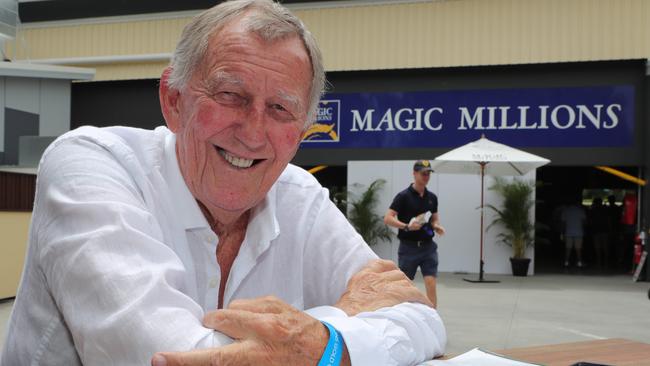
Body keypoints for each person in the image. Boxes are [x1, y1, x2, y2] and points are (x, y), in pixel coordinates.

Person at [0, 1, 446, 365]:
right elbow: (165, 356)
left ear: (302, 132)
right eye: (230, 95)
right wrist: (338, 338)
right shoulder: (91, 164)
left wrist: (324, 341)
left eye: (280, 109)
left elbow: (422, 320)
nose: (253, 132)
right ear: (173, 101)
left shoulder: (300, 196)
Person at [384, 160, 445, 308]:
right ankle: (404, 313)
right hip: (408, 248)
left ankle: (432, 314)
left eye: (428, 173)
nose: (426, 176)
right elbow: (388, 218)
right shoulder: (403, 196)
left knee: (430, 281)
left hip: (428, 247)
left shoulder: (432, 197)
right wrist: (406, 226)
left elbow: (434, 218)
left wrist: (437, 226)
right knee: (406, 284)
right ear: (414, 174)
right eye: (423, 173)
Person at [560, 197, 587, 267]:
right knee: (578, 248)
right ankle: (579, 262)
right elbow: (584, 222)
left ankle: (566, 262)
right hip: (578, 232)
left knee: (568, 248)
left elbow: (563, 223)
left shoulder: (566, 211)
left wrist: (562, 233)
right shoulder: (580, 211)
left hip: (568, 232)